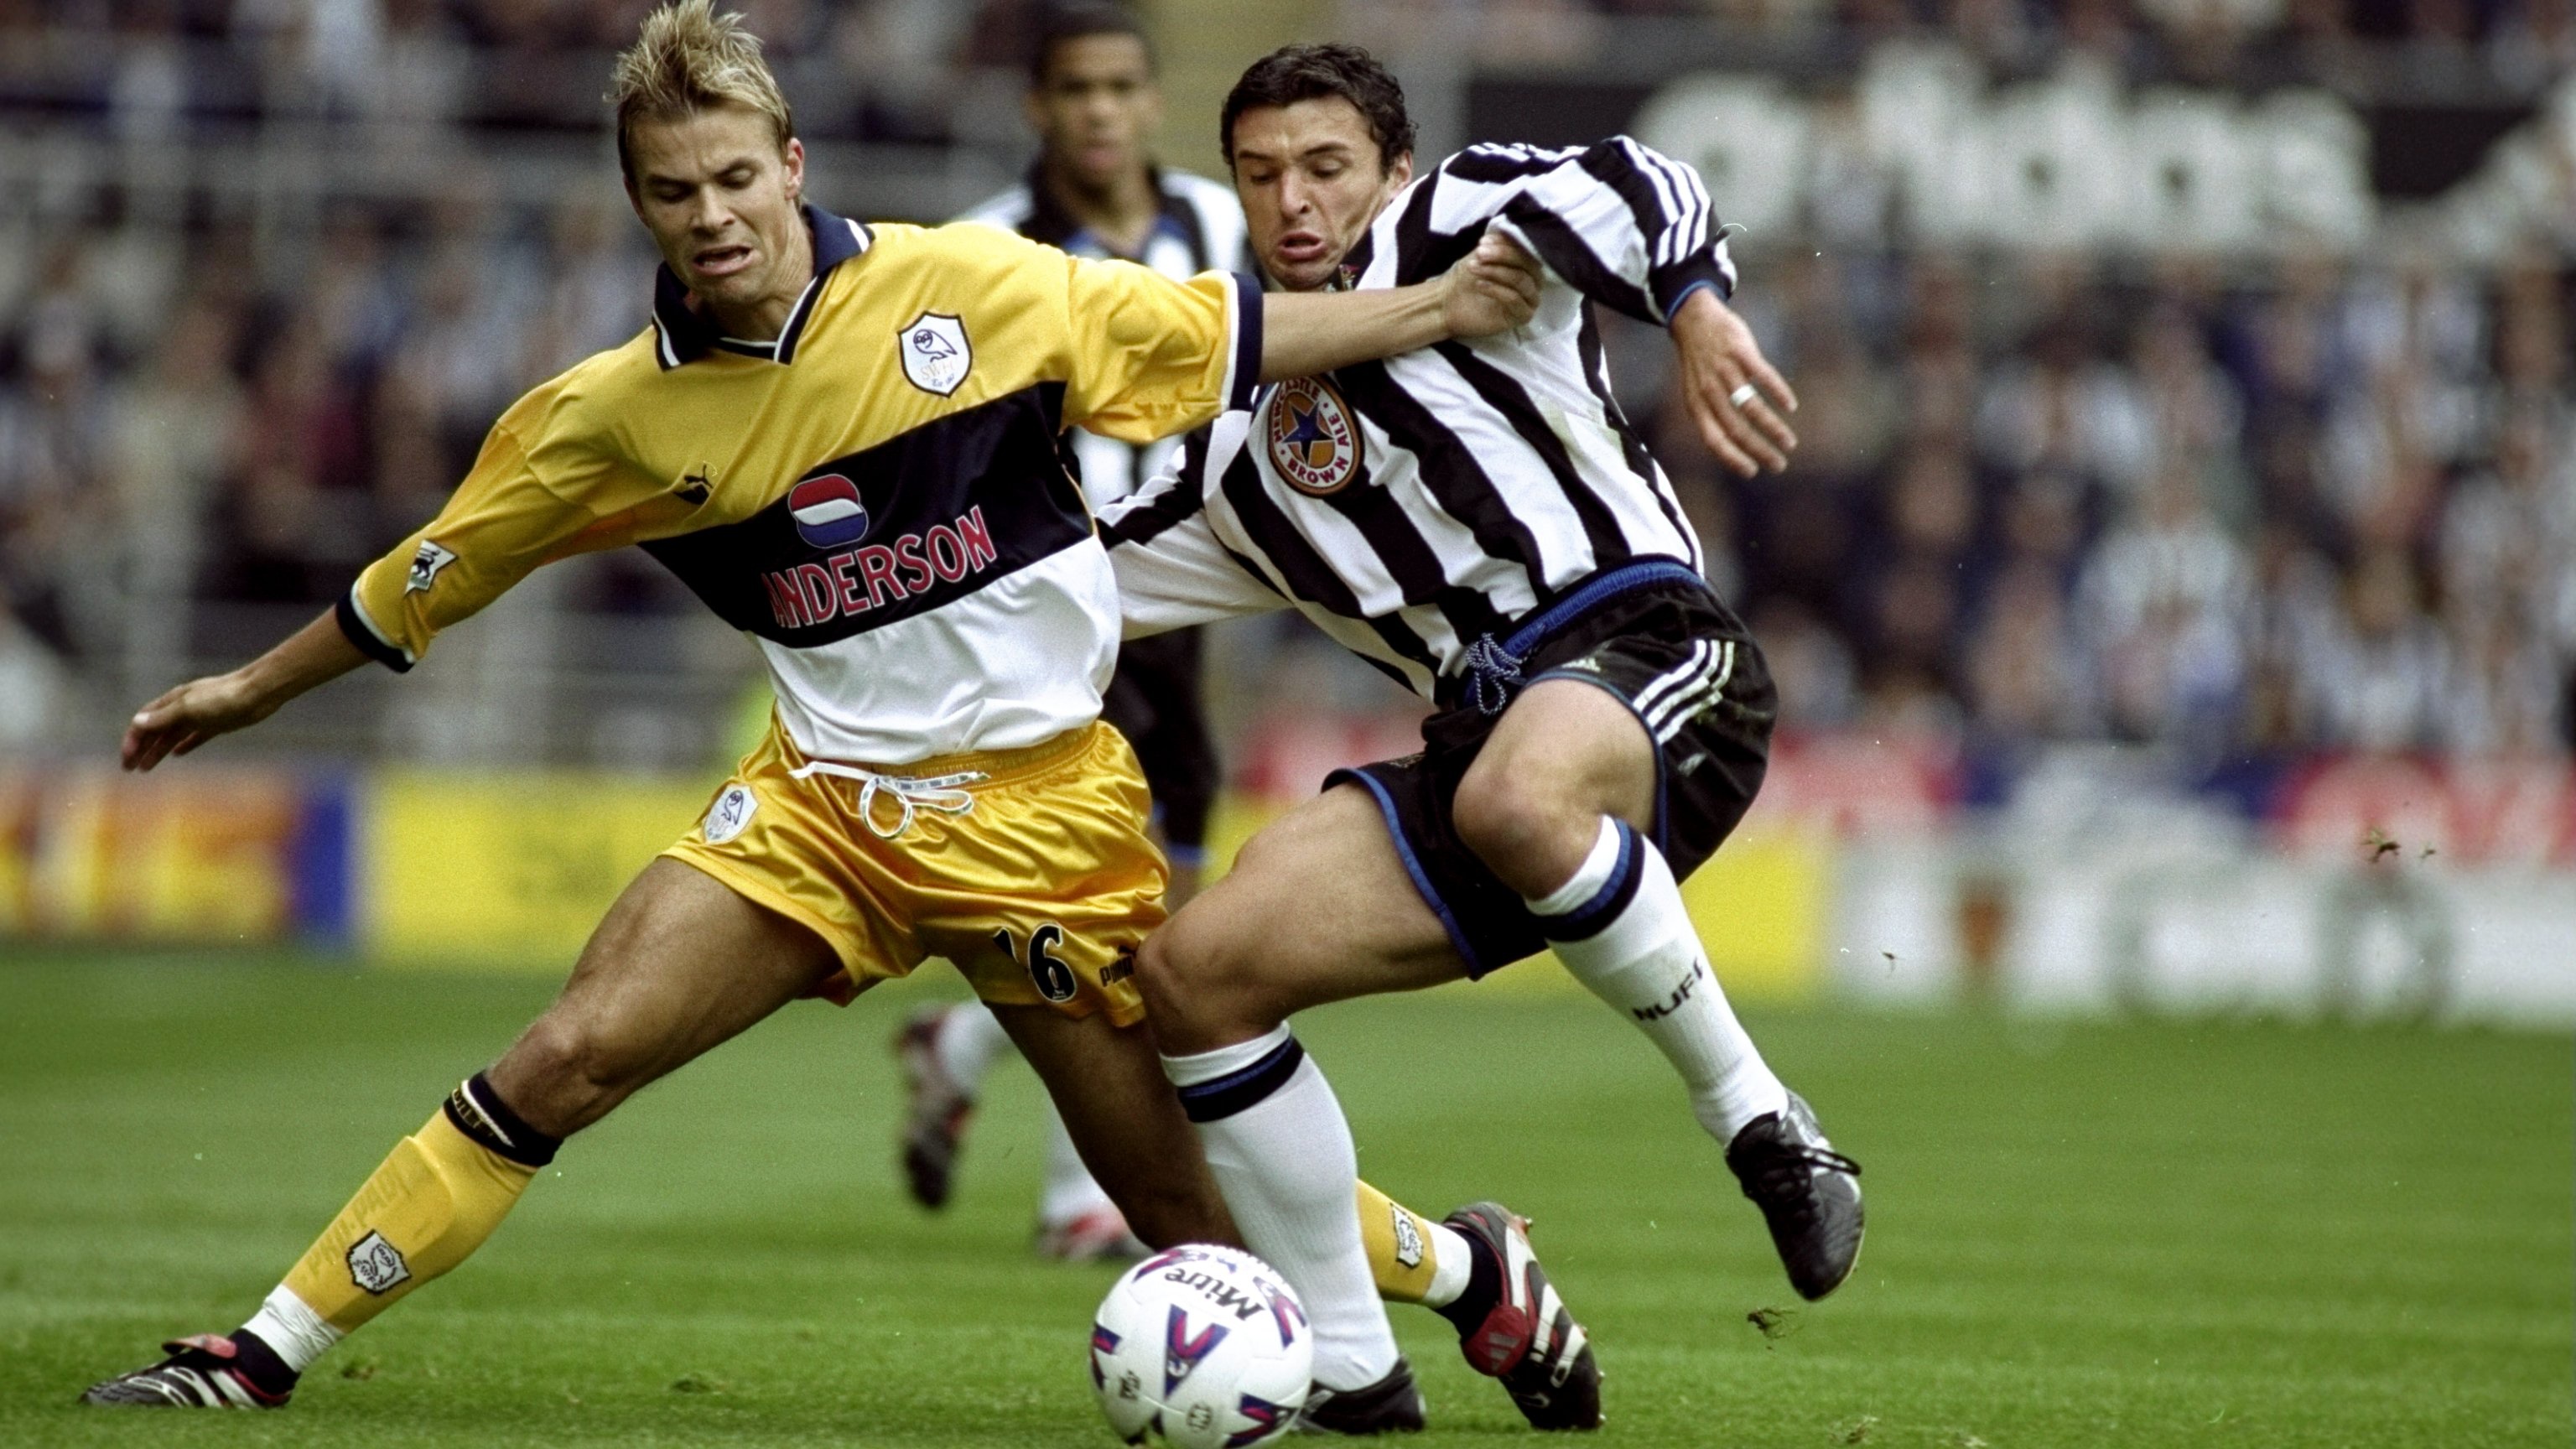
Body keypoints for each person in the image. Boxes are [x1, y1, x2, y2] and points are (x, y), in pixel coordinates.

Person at [77, 3, 1545, 1416]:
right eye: (672, 190)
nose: (711, 214)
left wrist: (1441, 305)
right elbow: (428, 579)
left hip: (1043, 815)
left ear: (789, 164)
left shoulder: (975, 287)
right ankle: (258, 1349)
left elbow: (1228, 336)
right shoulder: (607, 419)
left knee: (1175, 1197)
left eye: (732, 176)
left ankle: (1470, 1268)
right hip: (821, 815)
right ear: (637, 204)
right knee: (568, 1055)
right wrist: (248, 690)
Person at [1099, 43, 1866, 1430]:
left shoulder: (1455, 221)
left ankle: (1763, 1125)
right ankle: (1350, 1358)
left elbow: (1637, 183)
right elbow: (1069, 592)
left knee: (1516, 798)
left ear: (1390, 166)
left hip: (1651, 652)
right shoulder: (1238, 452)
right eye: (1261, 175)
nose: (1295, 202)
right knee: (1193, 974)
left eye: (1326, 166)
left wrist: (1693, 311)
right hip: (1486, 748)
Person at [893, 0, 1246, 1264]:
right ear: (1038, 106)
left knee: (1176, 894)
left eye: (1120, 87)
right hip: (1046, 603)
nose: (1100, 110)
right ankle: (1077, 1198)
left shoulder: (1217, 221)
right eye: (1075, 90)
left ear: (1151, 101)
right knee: (1113, 899)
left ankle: (962, 1044)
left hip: (1177, 594)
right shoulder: (980, 246)